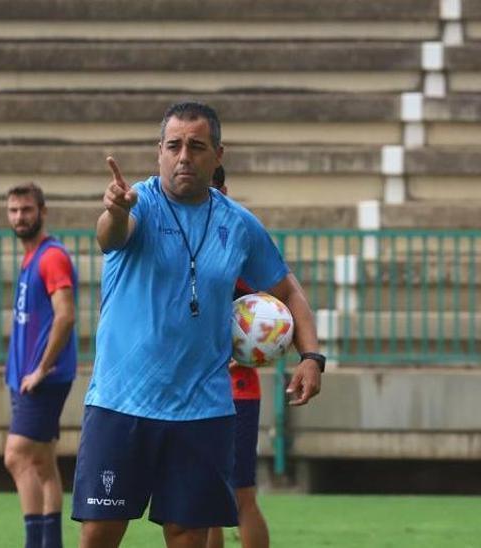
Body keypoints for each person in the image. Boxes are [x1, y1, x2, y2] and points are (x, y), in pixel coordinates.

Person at [72, 101, 325, 548]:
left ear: (218, 155)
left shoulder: (239, 224)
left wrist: (311, 357)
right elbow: (111, 235)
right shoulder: (141, 204)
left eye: (196, 145)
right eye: (174, 145)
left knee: (189, 535)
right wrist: (113, 209)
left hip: (202, 410)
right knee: (99, 532)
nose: (184, 155)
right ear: (160, 153)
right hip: (121, 402)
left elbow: (289, 291)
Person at [4, 182, 79, 548]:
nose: (20, 217)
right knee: (43, 464)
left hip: (42, 379)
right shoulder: (31, 257)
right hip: (26, 376)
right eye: (14, 211)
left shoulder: (51, 257)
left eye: (27, 210)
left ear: (43, 212)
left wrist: (41, 368)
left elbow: (66, 316)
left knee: (16, 456)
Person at [206, 166, 269, 548]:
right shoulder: (188, 243)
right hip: (199, 391)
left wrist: (244, 353)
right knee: (204, 500)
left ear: (222, 189)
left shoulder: (239, 245)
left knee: (240, 494)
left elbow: (269, 315)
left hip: (237, 392)